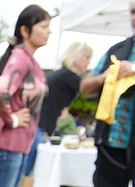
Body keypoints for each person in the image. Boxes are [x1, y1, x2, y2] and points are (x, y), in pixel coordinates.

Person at [80, 0, 135, 187]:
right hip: (111, 143)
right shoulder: (117, 50)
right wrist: (104, 77)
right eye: (133, 12)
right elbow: (85, 87)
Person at [0, 5, 51, 187]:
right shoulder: (20, 58)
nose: (49, 31)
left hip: (20, 144)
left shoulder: (29, 60)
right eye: (44, 26)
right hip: (9, 143)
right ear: (25, 31)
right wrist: (12, 119)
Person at [21, 41, 93, 175]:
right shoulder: (70, 78)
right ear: (77, 57)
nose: (88, 63)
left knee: (27, 170)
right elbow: (91, 93)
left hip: (37, 124)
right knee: (27, 172)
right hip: (40, 126)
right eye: (87, 58)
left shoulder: (61, 75)